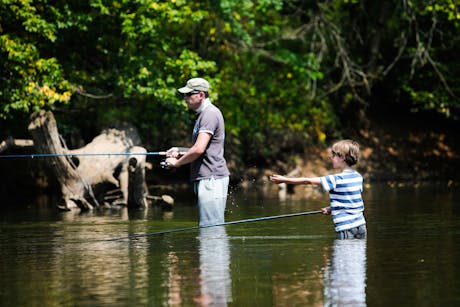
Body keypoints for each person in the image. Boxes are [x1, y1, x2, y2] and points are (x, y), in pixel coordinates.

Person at [165, 78, 230, 226]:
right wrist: (180, 151)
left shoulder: (209, 114)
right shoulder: (203, 115)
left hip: (211, 178)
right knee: (210, 226)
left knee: (210, 226)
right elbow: (205, 148)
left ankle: (214, 250)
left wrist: (176, 163)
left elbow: (199, 149)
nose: (185, 98)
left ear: (201, 95)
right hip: (208, 178)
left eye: (188, 95)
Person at [270, 139, 366, 239]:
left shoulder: (335, 179)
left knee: (343, 254)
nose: (331, 158)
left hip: (346, 227)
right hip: (361, 225)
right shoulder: (358, 177)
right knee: (358, 254)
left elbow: (307, 181)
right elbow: (351, 201)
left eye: (334, 155)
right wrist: (332, 208)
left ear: (342, 158)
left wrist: (284, 179)